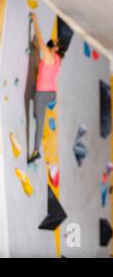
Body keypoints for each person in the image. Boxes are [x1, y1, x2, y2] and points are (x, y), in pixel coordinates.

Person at [28, 13, 63, 164]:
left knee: (39, 119)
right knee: (38, 113)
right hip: (51, 94)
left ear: (52, 47)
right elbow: (42, 60)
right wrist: (37, 48)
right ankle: (46, 106)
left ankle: (36, 151)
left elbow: (40, 39)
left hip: (42, 93)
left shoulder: (48, 55)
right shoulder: (57, 59)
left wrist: (35, 21)